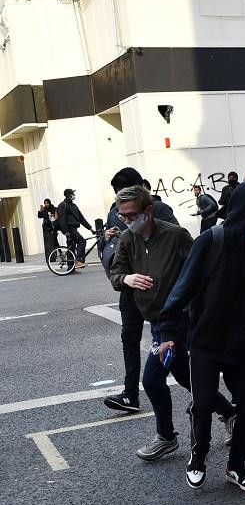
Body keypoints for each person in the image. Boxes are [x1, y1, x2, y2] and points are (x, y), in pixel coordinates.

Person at [157, 181, 245, 492]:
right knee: (203, 405)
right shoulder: (210, 241)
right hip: (205, 343)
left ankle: (236, 466)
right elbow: (181, 290)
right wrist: (168, 333)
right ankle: (198, 458)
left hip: (242, 345)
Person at [108, 185, 237, 460]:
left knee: (152, 379)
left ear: (148, 211)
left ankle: (166, 436)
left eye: (132, 215)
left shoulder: (175, 236)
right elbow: (116, 271)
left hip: (180, 321)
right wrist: (126, 279)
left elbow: (202, 271)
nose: (127, 221)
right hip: (155, 321)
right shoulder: (128, 240)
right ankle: (229, 413)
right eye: (122, 216)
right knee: (186, 377)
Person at [100, 167, 179, 414]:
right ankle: (130, 394)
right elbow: (114, 259)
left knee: (177, 354)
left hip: (161, 289)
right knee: (130, 338)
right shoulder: (117, 211)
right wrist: (107, 237)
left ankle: (209, 400)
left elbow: (179, 244)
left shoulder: (160, 210)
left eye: (124, 191)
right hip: (130, 284)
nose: (124, 216)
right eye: (116, 193)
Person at [56, 188, 92, 270]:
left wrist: (90, 229)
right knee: (82, 241)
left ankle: (70, 268)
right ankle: (79, 261)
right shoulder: (63, 205)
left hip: (74, 228)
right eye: (72, 193)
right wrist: (66, 232)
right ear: (68, 195)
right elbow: (62, 219)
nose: (74, 195)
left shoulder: (74, 205)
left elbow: (81, 218)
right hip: (69, 229)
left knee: (71, 247)